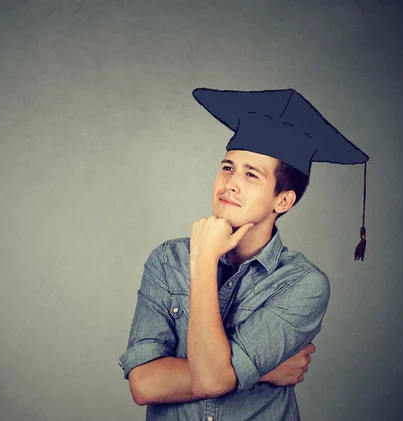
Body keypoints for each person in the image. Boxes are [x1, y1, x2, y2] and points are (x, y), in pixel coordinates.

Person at [119, 87, 369, 420]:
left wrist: (204, 262)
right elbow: (144, 385)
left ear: (283, 201)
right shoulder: (168, 260)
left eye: (251, 174)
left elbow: (213, 380)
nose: (230, 183)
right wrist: (262, 371)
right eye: (227, 167)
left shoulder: (303, 284)